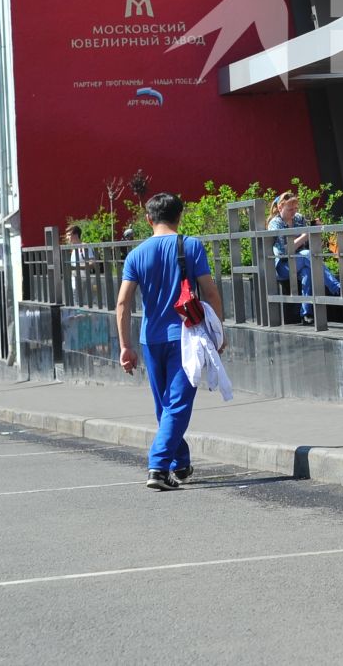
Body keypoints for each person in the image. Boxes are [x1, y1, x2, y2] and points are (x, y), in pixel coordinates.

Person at [116, 192, 225, 489]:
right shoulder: (190, 245)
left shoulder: (136, 254)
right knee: (177, 405)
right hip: (185, 337)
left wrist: (125, 346)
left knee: (164, 407)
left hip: (150, 338)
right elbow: (210, 291)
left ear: (148, 219)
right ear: (181, 215)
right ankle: (158, 468)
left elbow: (123, 303)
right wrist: (220, 332)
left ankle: (180, 463)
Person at [268, 192, 339, 324]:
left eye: (295, 209)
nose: (294, 212)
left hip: (300, 261)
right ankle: (336, 288)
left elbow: (304, 242)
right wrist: (306, 235)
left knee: (308, 272)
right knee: (307, 254)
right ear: (280, 208)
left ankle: (306, 313)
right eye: (290, 209)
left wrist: (314, 227)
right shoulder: (275, 223)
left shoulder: (299, 218)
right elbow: (284, 251)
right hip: (283, 265)